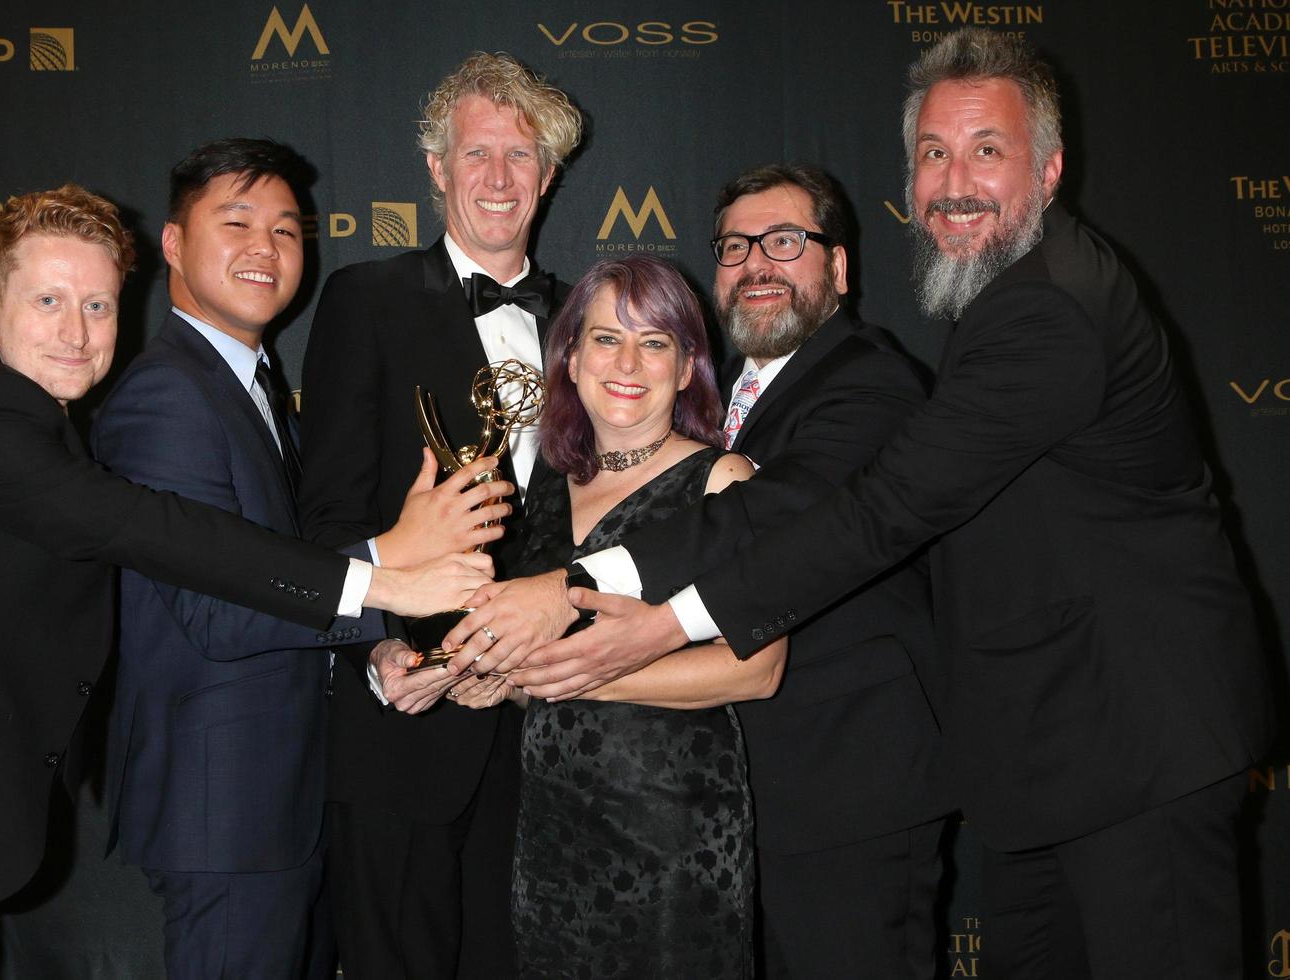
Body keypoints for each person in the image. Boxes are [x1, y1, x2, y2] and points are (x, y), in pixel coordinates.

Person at [456, 28, 1271, 980]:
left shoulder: (1035, 313)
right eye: (933, 155)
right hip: (1049, 762)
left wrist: (641, 615)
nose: (953, 182)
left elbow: (871, 513)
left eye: (986, 151)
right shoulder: (993, 302)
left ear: (1049, 171)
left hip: (1129, 748)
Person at [0, 183, 490, 979]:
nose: (76, 332)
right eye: (49, 300)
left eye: (99, 307)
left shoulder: (45, 429)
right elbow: (149, 527)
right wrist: (380, 573)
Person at [89, 139, 508, 979]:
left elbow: (290, 578)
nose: (266, 249)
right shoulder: (164, 395)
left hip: (288, 805)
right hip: (227, 812)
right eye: (236, 223)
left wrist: (381, 647)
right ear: (172, 245)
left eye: (286, 231)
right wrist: (394, 553)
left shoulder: (256, 386)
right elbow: (216, 606)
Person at [296, 52, 582, 978]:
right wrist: (376, 646)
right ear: (435, 168)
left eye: (520, 155)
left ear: (548, 174)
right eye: (476, 154)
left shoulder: (592, 318)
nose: (498, 178)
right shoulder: (365, 301)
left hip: (548, 731)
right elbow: (327, 514)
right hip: (405, 725)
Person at [431, 255, 783, 978]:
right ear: (570, 356)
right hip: (553, 836)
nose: (628, 362)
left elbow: (761, 668)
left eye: (655, 342)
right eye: (605, 339)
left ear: (687, 368)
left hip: (673, 833)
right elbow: (538, 675)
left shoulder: (723, 480)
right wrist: (500, 681)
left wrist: (579, 676)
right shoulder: (551, 487)